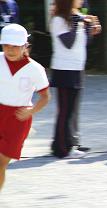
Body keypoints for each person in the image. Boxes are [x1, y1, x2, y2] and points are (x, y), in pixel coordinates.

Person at [0, 24, 50, 191]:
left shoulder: (36, 69)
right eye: (6, 45)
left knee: (1, 163)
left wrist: (32, 111)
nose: (10, 50)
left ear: (25, 46)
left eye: (15, 46)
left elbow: (45, 97)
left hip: (18, 119)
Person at [50, 0, 101, 159]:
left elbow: (85, 43)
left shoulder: (78, 17)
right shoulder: (58, 19)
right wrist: (77, 22)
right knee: (65, 111)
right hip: (63, 69)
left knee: (72, 111)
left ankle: (68, 143)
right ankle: (61, 149)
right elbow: (69, 43)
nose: (82, 0)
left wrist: (91, 30)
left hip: (77, 68)